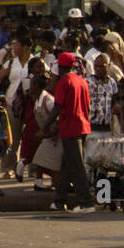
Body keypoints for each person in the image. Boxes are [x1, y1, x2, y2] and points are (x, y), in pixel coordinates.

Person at [43, 52, 93, 213]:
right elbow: (89, 106)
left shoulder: (63, 82)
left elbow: (57, 107)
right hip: (83, 126)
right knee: (67, 165)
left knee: (77, 166)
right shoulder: (82, 81)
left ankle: (86, 202)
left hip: (71, 128)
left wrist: (46, 126)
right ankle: (59, 200)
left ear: (60, 66)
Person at [86, 54, 119, 133]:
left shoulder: (112, 82)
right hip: (92, 127)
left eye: (102, 66)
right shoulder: (88, 82)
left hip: (107, 127)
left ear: (108, 66)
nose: (98, 69)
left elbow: (114, 101)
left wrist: (116, 107)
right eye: (96, 66)